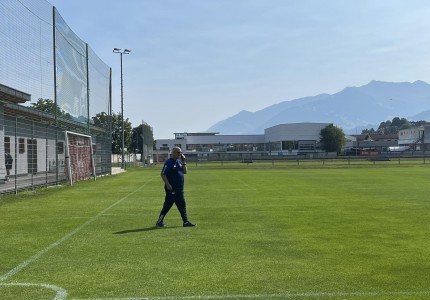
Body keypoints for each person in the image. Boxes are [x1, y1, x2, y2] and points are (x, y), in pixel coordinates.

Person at [156, 146, 196, 228]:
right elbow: (163, 174)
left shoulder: (179, 161)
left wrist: (184, 161)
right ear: (173, 153)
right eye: (178, 152)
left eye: (181, 152)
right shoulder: (169, 162)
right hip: (172, 189)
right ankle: (159, 222)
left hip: (179, 189)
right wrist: (168, 185)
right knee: (167, 205)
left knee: (182, 205)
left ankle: (185, 222)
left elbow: (185, 172)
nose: (180, 154)